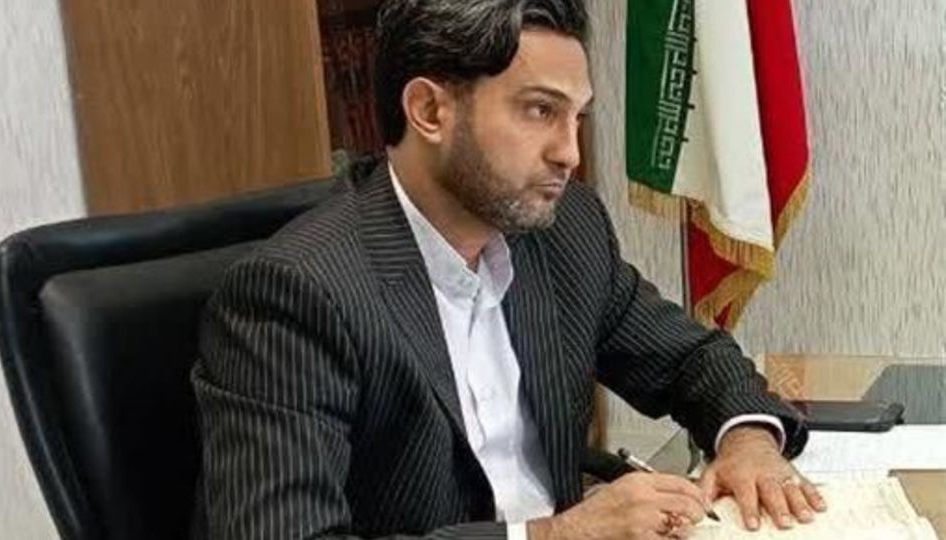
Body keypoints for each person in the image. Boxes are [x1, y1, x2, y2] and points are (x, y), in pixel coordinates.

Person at [192, 1, 826, 538]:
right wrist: (554, 535)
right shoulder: (296, 294)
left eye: (576, 117)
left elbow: (690, 359)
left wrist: (748, 441)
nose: (569, 153)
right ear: (430, 111)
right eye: (540, 111)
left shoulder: (564, 229)